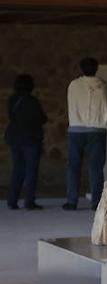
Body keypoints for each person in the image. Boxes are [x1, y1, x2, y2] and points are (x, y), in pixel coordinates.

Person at [64, 57, 107, 210]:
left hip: (76, 129)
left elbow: (72, 105)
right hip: (96, 130)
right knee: (96, 167)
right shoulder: (102, 86)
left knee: (73, 166)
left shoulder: (73, 85)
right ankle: (96, 202)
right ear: (96, 68)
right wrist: (104, 125)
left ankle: (72, 201)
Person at [6, 74, 47, 210]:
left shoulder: (12, 100)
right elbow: (41, 118)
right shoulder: (32, 101)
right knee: (31, 171)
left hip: (15, 137)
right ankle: (29, 201)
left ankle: (12, 200)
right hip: (30, 139)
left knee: (17, 169)